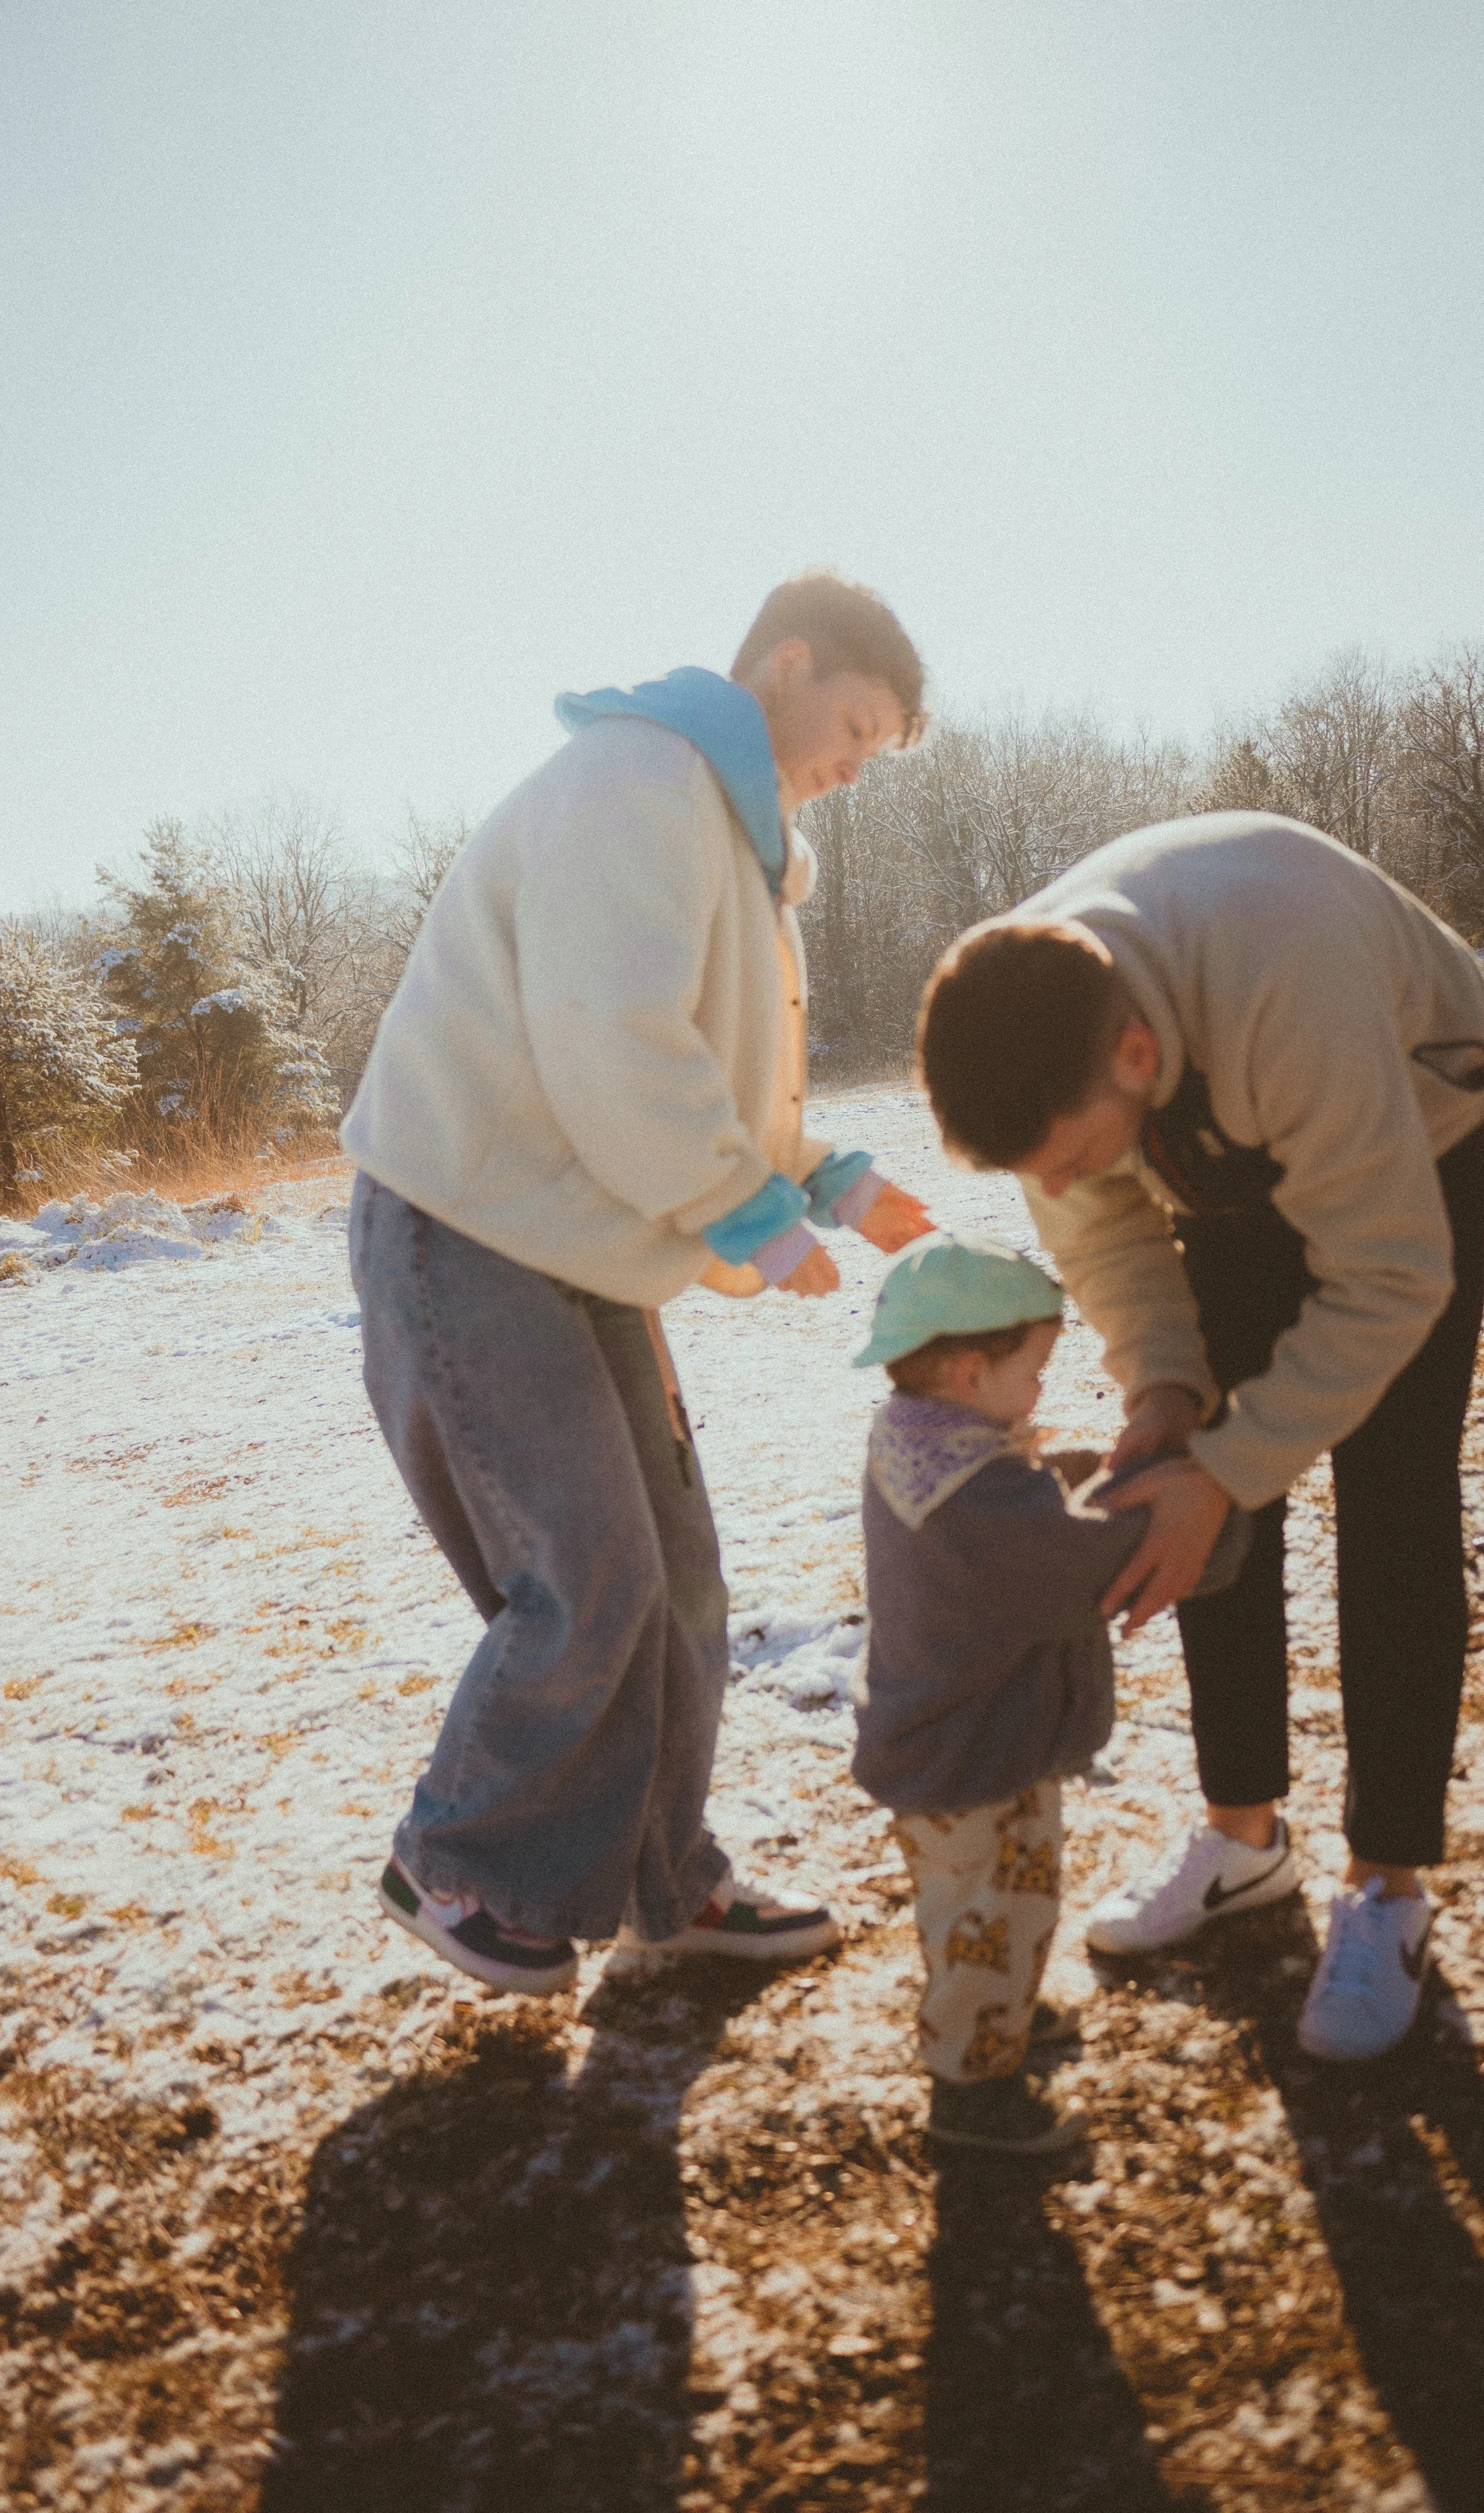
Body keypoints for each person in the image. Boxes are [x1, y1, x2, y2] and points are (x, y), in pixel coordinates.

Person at [341, 571, 933, 1995]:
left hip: (579, 1242)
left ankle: (668, 1880)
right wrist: (741, 1212)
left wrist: (825, 1178)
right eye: (855, 722)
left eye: (877, 749)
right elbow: (608, 1033)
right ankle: (460, 1859)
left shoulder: (734, 844)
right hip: (467, 1226)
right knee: (587, 1573)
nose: (856, 764)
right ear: (784, 662)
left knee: (675, 1580)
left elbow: (712, 1073)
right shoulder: (639, 778)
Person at [916, 811, 1484, 2063]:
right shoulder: (1044, 1045)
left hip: (1412, 1109)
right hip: (1218, 1132)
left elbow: (1394, 1278)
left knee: (1392, 1488)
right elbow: (1109, 1237)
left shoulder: (1283, 986)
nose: (1059, 1185)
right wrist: (1165, 1407)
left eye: (1070, 1155)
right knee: (1176, 1489)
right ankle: (1244, 1842)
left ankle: (1387, 1887)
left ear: (1134, 1054)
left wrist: (1235, 1463)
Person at [851, 1231, 1248, 2153]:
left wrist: (1101, 1472)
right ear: (967, 1370)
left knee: (989, 1910)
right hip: (973, 1756)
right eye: (1032, 1371)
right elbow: (1077, 1561)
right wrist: (1210, 1508)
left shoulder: (924, 1448)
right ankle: (972, 2091)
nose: (1040, 1391)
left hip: (961, 1741)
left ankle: (997, 2017)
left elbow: (1029, 1489)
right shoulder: (970, 1501)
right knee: (992, 1914)